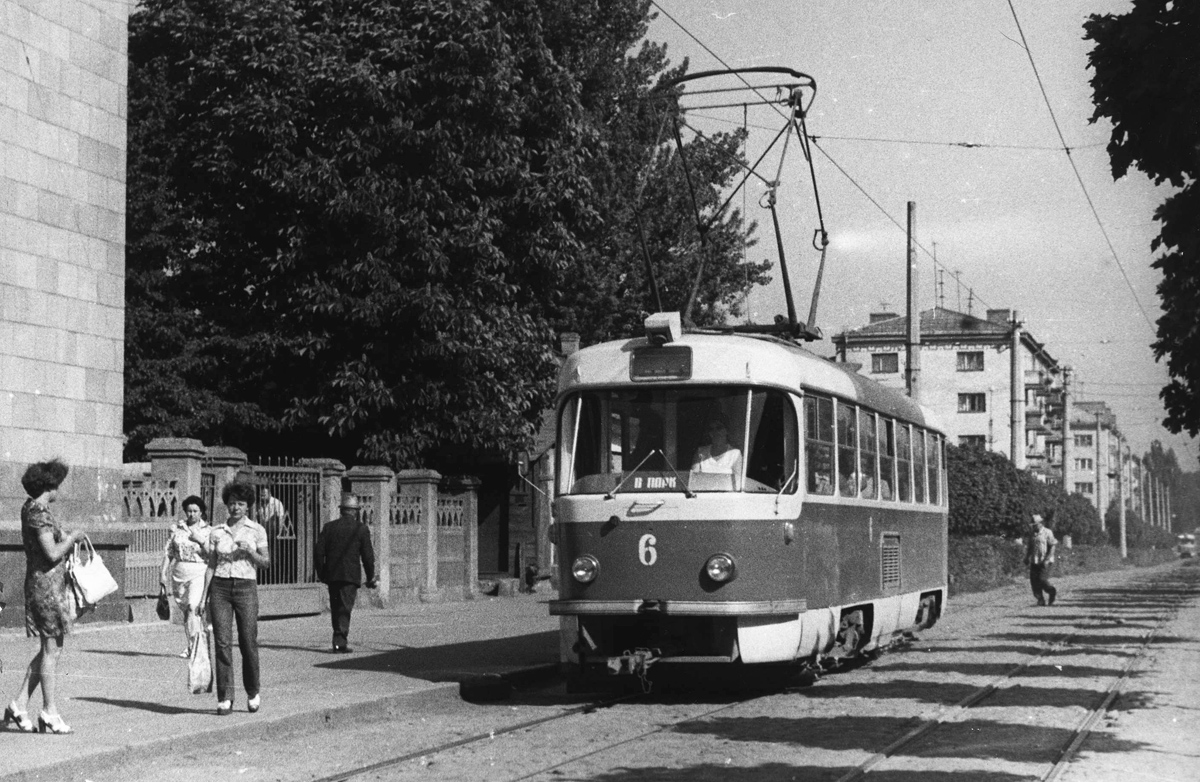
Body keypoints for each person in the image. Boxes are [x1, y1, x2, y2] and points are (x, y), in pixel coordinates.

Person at [4, 459, 86, 734]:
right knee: (52, 649)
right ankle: (49, 711)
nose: (58, 490)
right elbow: (51, 553)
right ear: (49, 486)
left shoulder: (34, 509)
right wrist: (72, 538)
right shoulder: (38, 513)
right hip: (46, 587)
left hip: (45, 585)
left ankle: (18, 704)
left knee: (49, 649)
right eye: (56, 485)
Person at [205, 481, 270, 715]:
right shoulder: (217, 532)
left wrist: (250, 552)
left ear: (248, 506)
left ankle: (253, 692)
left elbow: (266, 562)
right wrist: (204, 597)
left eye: (240, 504)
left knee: (247, 641)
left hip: (245, 588)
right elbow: (211, 564)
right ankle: (225, 698)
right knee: (222, 643)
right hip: (220, 589)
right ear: (227, 504)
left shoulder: (257, 530)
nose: (235, 508)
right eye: (232, 503)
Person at [314, 493, 377, 653]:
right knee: (344, 608)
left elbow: (319, 553)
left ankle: (338, 639)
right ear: (355, 511)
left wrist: (322, 573)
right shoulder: (361, 529)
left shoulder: (329, 527)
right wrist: (371, 577)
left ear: (341, 510)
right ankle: (339, 643)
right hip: (350, 576)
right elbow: (368, 556)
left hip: (332, 575)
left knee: (337, 607)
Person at [159, 495, 212, 658]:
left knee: (192, 607)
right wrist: (163, 572)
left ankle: (194, 647)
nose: (192, 514)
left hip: (199, 571)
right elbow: (169, 552)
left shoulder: (208, 530)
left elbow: (212, 554)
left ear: (201, 512)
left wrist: (202, 541)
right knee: (187, 611)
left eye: (195, 511)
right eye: (189, 511)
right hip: (180, 572)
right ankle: (193, 642)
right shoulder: (177, 529)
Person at [691, 415, 743, 489]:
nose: (715, 432)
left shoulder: (735, 454)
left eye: (719, 428)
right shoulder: (701, 452)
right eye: (711, 429)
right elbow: (693, 481)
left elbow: (737, 484)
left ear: (726, 430)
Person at [1025, 512, 1058, 606]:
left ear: (1040, 524)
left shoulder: (1047, 532)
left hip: (1045, 561)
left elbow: (1052, 547)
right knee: (1034, 581)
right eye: (1032, 525)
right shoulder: (1032, 534)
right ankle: (1040, 599)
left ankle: (1051, 591)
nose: (1033, 527)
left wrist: (1047, 559)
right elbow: (1030, 547)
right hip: (1034, 560)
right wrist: (1027, 557)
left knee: (1042, 579)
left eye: (1035, 525)